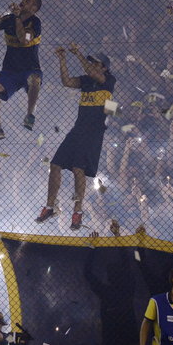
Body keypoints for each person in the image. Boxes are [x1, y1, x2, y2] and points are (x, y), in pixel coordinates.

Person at [35, 45, 116, 230]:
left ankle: (77, 212)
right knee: (55, 165)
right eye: (92, 63)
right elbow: (66, 82)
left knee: (78, 169)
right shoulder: (86, 81)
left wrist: (78, 54)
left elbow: (94, 75)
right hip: (77, 129)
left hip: (93, 133)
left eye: (96, 63)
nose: (92, 66)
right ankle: (50, 206)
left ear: (104, 67)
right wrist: (62, 59)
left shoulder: (109, 80)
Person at [0, 0, 43, 142]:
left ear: (34, 8)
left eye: (27, 1)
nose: (22, 1)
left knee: (35, 80)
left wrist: (18, 18)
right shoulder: (9, 19)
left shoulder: (35, 22)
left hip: (30, 68)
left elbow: (25, 40)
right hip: (10, 70)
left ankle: (30, 115)